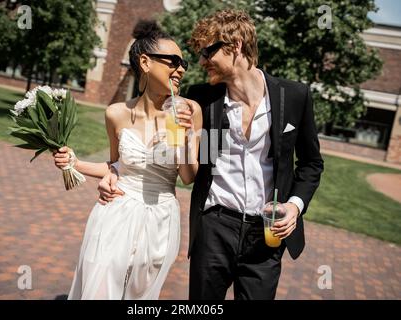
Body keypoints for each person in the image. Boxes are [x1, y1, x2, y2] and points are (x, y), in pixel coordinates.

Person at [98, 9, 324, 300]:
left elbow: (311, 163)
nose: (202, 62)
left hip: (266, 235)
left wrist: (294, 206)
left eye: (207, 52)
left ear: (235, 46)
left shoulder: (294, 96)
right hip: (214, 228)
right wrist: (114, 173)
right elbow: (144, 134)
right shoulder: (201, 99)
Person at [53, 20, 202, 300]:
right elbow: (115, 166)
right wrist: (73, 161)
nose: (181, 68)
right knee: (100, 286)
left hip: (161, 219)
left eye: (183, 63)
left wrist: (184, 137)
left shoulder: (190, 110)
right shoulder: (116, 113)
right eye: (173, 61)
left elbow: (189, 177)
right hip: (115, 213)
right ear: (145, 62)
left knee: (139, 296)